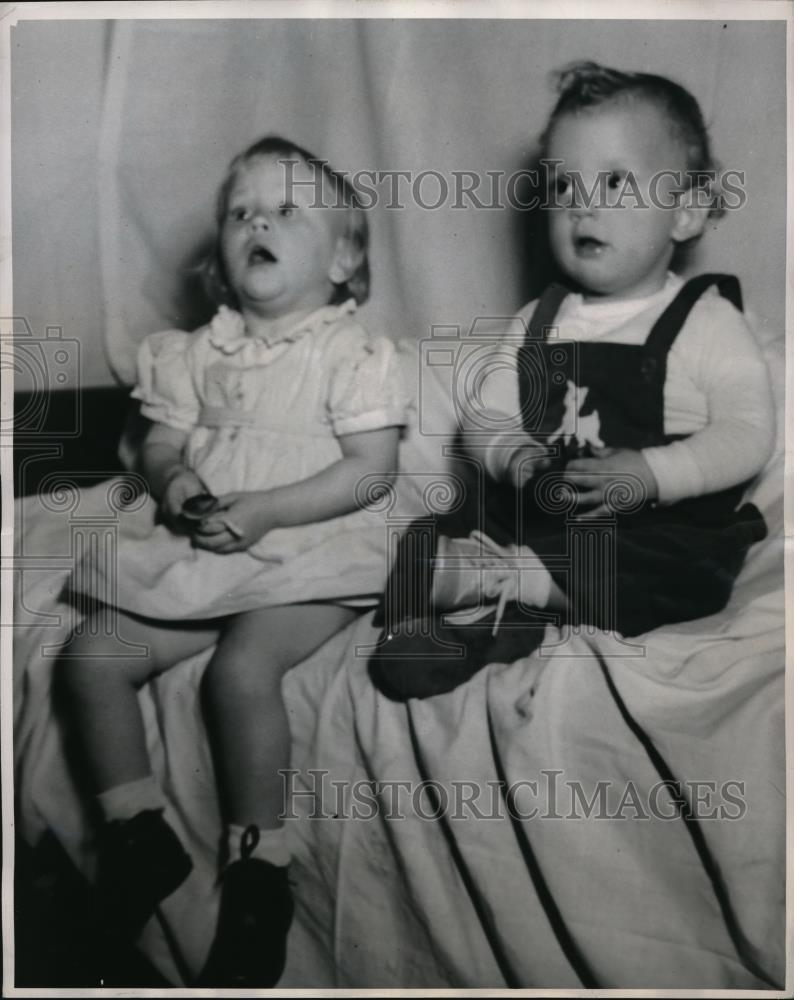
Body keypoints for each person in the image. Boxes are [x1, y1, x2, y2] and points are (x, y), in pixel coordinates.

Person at [58, 135, 407, 985]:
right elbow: (161, 444)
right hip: (217, 546)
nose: (259, 222)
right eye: (242, 211)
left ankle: (259, 874)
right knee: (91, 655)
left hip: (311, 550)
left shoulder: (348, 352)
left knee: (240, 672)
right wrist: (174, 482)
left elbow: (370, 471)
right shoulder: (194, 351)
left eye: (289, 210)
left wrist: (269, 510)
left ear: (344, 255)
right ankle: (137, 837)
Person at [370, 61, 774, 701]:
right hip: (545, 512)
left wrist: (650, 473)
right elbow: (487, 413)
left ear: (687, 213)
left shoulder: (708, 320)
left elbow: (749, 432)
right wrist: (515, 457)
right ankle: (465, 611)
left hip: (655, 527)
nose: (582, 203)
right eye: (563, 186)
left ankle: (516, 589)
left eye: (615, 181)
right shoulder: (541, 319)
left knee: (684, 575)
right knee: (434, 527)